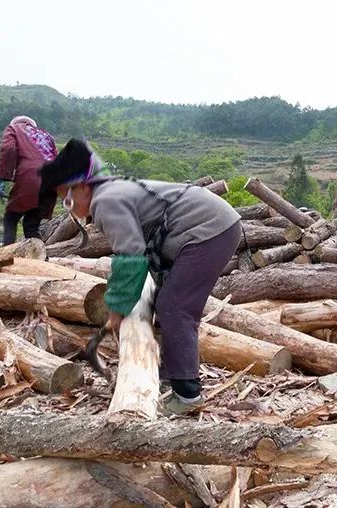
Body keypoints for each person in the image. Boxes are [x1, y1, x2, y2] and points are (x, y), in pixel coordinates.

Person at [40, 139, 241, 414]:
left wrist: (118, 306)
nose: (69, 208)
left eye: (66, 199)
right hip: (209, 228)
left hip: (210, 230)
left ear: (83, 187)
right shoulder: (110, 192)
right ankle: (172, 373)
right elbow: (134, 253)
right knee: (167, 300)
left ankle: (187, 396)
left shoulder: (105, 201)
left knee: (175, 305)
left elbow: (131, 256)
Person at [0, 116, 58, 245]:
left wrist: (3, 177)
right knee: (31, 226)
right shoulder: (45, 135)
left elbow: (8, 149)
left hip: (29, 179)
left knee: (10, 219)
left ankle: (6, 257)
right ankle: (40, 260)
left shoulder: (13, 129)